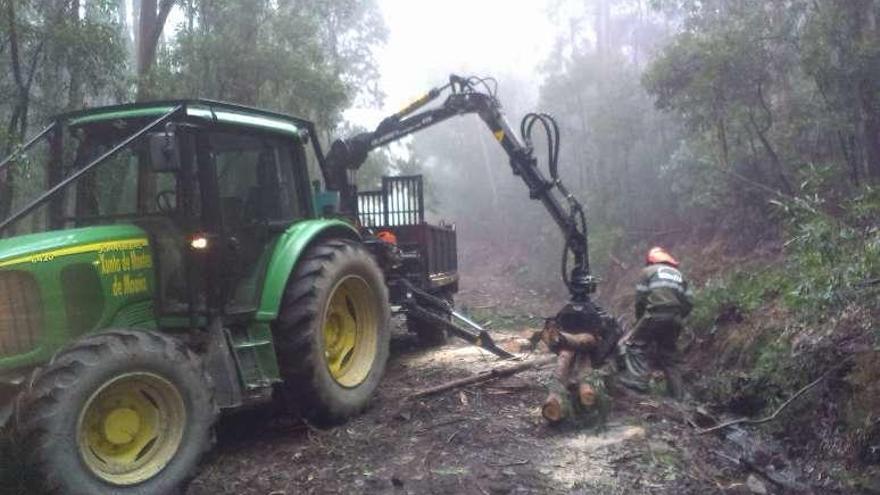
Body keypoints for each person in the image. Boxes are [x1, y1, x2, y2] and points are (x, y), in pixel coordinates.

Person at [619, 246, 693, 399]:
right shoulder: (679, 275)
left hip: (654, 314)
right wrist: (678, 316)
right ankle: (678, 395)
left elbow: (640, 299)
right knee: (669, 355)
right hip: (675, 319)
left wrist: (640, 320)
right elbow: (689, 302)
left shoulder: (648, 272)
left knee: (634, 345)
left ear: (650, 260)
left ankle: (640, 381)